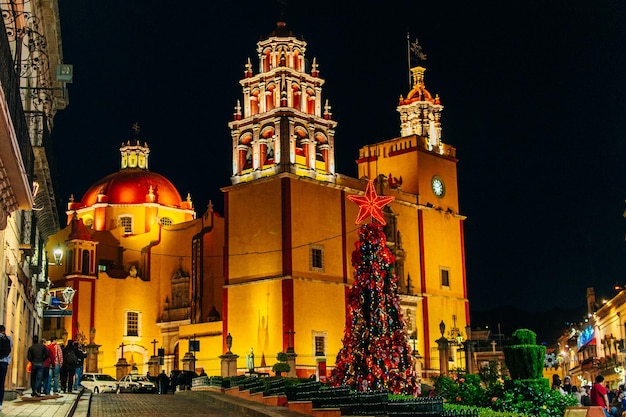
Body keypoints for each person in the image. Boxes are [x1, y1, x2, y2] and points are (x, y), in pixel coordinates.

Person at [0, 325, 12, 411]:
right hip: (3, 363)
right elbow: (10, 349)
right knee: (1, 383)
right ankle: (0, 403)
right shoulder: (8, 339)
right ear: (4, 331)